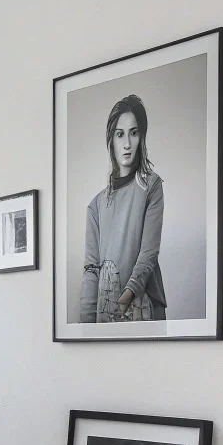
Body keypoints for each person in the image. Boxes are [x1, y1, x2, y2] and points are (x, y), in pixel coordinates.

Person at [80, 94, 167, 323]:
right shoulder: (96, 206)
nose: (127, 143)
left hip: (144, 310)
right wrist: (86, 325)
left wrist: (123, 301)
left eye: (134, 132)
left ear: (142, 136)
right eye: (120, 134)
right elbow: (91, 271)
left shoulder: (151, 186)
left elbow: (148, 254)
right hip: (105, 314)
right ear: (111, 139)